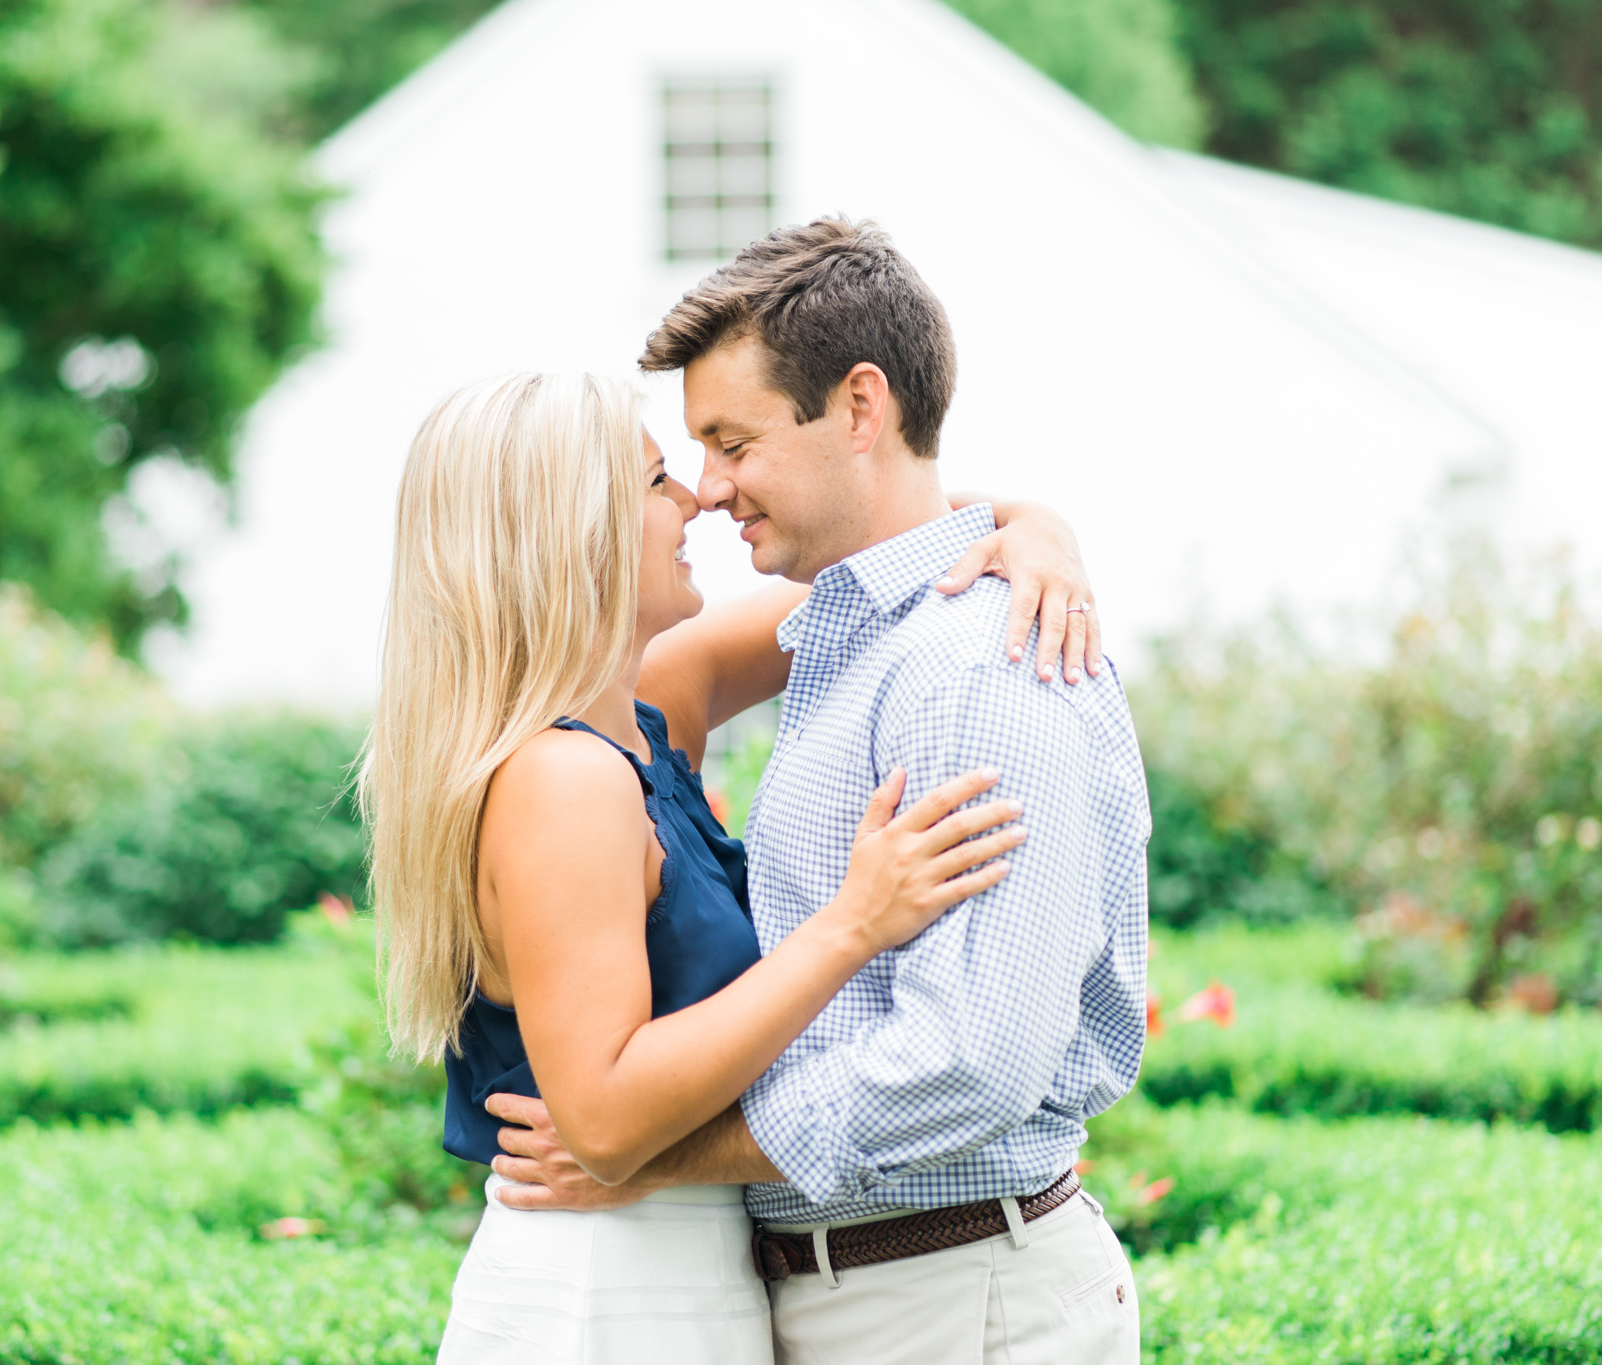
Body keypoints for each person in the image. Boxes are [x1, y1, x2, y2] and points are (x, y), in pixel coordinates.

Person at [484, 219, 1151, 1365]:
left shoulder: (973, 672)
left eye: (729, 442)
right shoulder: (841, 638)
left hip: (944, 1297)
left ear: (857, 406)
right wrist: (1022, 517)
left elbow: (971, 1059)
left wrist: (658, 1156)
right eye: (682, 462)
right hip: (853, 1294)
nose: (706, 491)